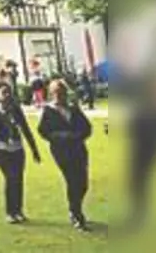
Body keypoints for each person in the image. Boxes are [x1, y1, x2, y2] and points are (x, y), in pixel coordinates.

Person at [0, 81, 42, 224]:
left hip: (17, 147)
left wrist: (34, 150)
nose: (6, 95)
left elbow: (25, 129)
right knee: (10, 177)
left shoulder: (15, 109)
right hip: (1, 147)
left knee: (18, 179)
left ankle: (18, 211)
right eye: (3, 92)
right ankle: (9, 212)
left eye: (8, 92)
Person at [37, 78, 93, 230]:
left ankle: (75, 207)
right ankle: (76, 214)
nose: (60, 96)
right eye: (57, 93)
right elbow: (43, 131)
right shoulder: (48, 111)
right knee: (72, 180)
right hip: (62, 151)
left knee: (83, 183)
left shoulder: (74, 109)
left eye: (63, 92)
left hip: (78, 149)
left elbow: (87, 128)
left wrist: (77, 136)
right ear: (52, 93)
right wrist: (61, 136)